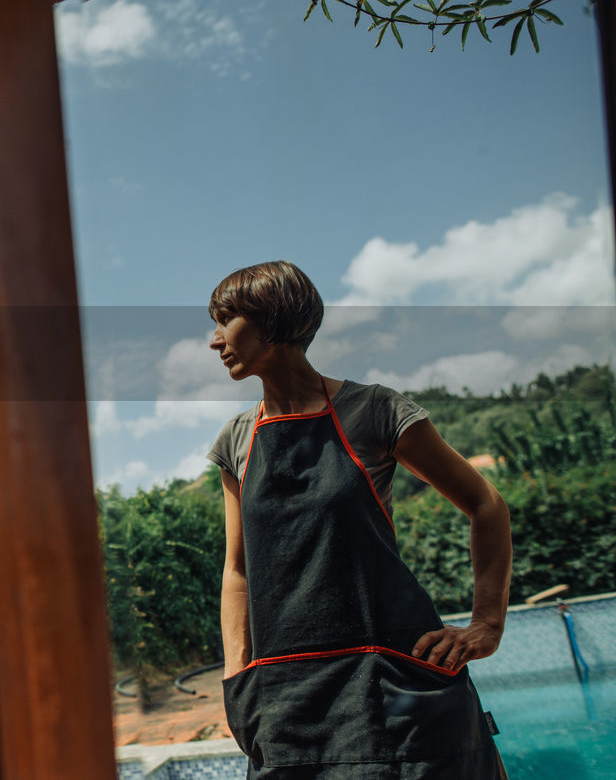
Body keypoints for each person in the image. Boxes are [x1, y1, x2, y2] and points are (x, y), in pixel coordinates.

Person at [205, 260, 512, 779]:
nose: (215, 341)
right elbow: (237, 570)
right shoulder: (236, 440)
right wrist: (238, 675)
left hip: (397, 684)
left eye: (226, 320)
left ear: (273, 320)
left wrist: (487, 625)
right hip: (287, 701)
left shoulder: (374, 411)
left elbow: (487, 505)